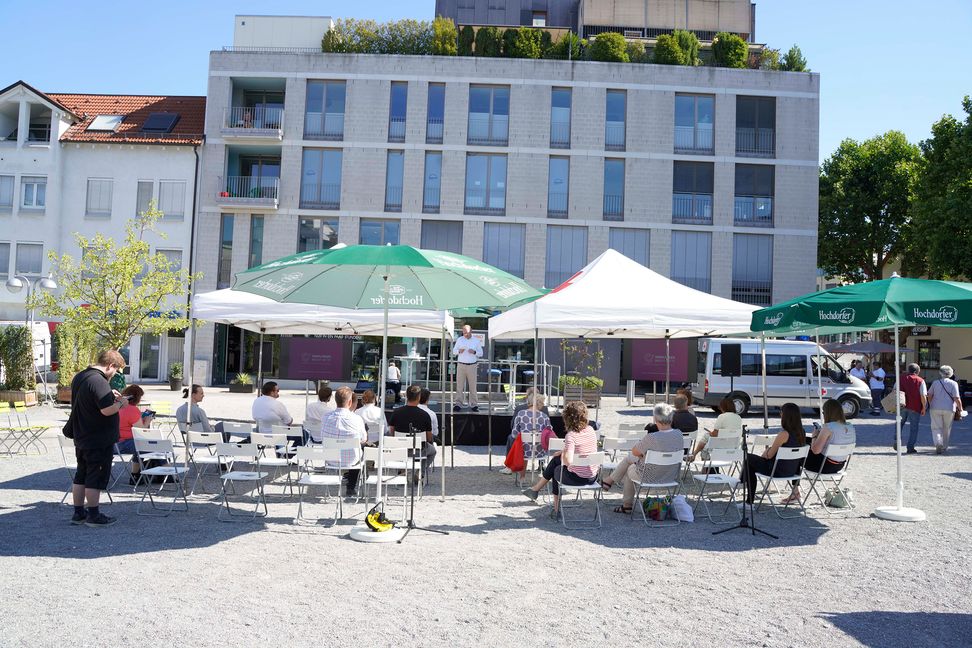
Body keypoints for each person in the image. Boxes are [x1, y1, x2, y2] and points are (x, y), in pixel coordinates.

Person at [68, 349, 128, 527]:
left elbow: (91, 400)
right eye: (116, 370)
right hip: (98, 437)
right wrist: (121, 403)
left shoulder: (81, 376)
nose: (115, 374)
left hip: (82, 434)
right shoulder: (99, 380)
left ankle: (78, 513)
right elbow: (106, 410)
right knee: (95, 475)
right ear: (110, 365)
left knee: (81, 474)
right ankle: (94, 515)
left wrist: (109, 395)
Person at [601, 402, 683, 514]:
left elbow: (635, 451)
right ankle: (609, 482)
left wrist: (643, 454)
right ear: (671, 418)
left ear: (655, 418)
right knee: (631, 460)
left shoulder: (652, 437)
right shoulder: (679, 434)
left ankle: (626, 504)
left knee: (630, 467)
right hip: (670, 476)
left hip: (649, 477)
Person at [522, 401, 600, 516]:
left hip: (577, 478)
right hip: (592, 477)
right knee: (556, 461)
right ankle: (535, 490)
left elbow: (568, 461)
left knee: (556, 469)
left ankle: (555, 508)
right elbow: (583, 450)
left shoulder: (571, 436)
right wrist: (564, 452)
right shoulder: (590, 430)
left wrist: (563, 454)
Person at [786, 398, 855, 502]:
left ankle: (795, 492)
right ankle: (795, 491)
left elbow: (815, 451)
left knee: (797, 453)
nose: (823, 414)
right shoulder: (850, 427)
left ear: (828, 413)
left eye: (823, 412)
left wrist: (815, 435)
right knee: (804, 441)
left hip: (824, 466)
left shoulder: (828, 427)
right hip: (839, 465)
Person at [742, 402, 807, 505]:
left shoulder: (784, 434)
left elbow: (769, 455)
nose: (780, 414)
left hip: (776, 471)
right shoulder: (802, 432)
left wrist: (767, 451)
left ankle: (748, 498)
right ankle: (743, 484)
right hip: (792, 471)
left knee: (748, 458)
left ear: (785, 415)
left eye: (781, 412)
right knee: (752, 461)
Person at [320, 387, 368, 496]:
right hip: (352, 460)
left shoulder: (325, 417)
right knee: (360, 448)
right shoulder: (357, 419)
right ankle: (351, 487)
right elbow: (364, 439)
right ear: (350, 402)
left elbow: (322, 437)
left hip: (330, 459)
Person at [388, 385, 436, 480]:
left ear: (406, 396)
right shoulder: (425, 415)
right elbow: (429, 436)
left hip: (400, 449)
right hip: (419, 450)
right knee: (433, 451)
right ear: (419, 397)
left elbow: (391, 430)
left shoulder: (396, 412)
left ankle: (401, 470)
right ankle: (420, 472)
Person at [501, 392, 552, 477]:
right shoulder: (544, 417)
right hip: (539, 452)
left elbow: (514, 434)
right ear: (540, 403)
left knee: (522, 444)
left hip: (522, 451)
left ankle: (522, 478)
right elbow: (549, 432)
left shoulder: (521, 414)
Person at [116, 384, 155, 483]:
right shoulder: (132, 409)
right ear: (137, 398)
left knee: (141, 446)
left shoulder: (116, 406)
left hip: (112, 444)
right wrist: (147, 421)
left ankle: (136, 475)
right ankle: (166, 469)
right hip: (124, 444)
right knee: (148, 445)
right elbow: (141, 431)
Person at [688, 396, 741, 460]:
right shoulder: (738, 417)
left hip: (720, 445)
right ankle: (694, 454)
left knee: (706, 437)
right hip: (733, 446)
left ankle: (694, 455)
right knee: (707, 436)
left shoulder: (722, 416)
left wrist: (711, 433)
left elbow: (715, 434)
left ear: (723, 407)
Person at [928, 365, 962, 454]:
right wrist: (960, 409)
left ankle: (938, 442)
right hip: (949, 408)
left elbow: (929, 395)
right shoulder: (954, 383)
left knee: (936, 427)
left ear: (940, 373)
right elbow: (956, 398)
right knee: (947, 428)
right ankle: (944, 447)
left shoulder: (935, 382)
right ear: (951, 373)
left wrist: (931, 404)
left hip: (935, 407)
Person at [452, 325, 483, 411]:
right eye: (464, 332)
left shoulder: (476, 341)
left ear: (471, 331)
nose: (465, 334)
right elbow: (454, 351)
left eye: (467, 332)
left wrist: (474, 352)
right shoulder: (459, 339)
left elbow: (481, 353)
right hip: (461, 365)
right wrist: (459, 351)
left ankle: (474, 404)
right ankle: (458, 404)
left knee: (473, 386)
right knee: (459, 386)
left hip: (472, 366)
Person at [898, 363, 927, 454]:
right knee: (913, 428)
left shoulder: (901, 378)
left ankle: (896, 440)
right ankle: (910, 447)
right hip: (915, 407)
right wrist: (924, 407)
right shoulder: (920, 380)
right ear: (917, 371)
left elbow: (895, 390)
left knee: (899, 424)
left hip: (902, 405)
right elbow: (923, 395)